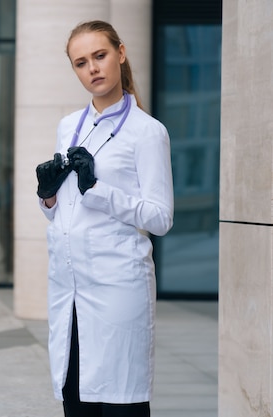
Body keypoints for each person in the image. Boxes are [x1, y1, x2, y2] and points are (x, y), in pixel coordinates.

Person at [35, 20, 174, 417]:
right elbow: (64, 212)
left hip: (117, 287)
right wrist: (47, 195)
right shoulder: (68, 128)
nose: (92, 69)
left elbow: (161, 218)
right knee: (75, 404)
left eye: (100, 56)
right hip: (69, 289)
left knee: (120, 404)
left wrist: (98, 189)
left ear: (121, 53)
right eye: (81, 63)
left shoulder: (147, 132)